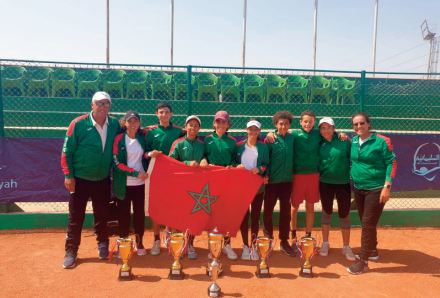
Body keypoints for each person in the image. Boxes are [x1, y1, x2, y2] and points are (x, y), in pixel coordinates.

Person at [61, 91, 120, 269]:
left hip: (102, 179)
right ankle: (71, 251)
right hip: (80, 179)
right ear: (92, 105)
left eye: (106, 104)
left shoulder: (115, 124)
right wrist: (68, 175)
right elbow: (66, 151)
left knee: (102, 215)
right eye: (99, 103)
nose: (103, 107)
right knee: (75, 217)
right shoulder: (78, 124)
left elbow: (133, 128)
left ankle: (103, 244)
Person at [347, 112, 397, 275]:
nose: (359, 126)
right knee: (366, 221)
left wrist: (386, 186)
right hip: (359, 188)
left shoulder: (382, 141)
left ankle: (363, 261)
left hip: (376, 188)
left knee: (367, 223)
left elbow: (391, 162)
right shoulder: (353, 141)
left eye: (362, 123)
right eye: (355, 124)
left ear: (369, 124)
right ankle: (373, 251)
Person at [145, 102, 185, 256]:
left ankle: (172, 238)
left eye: (166, 112)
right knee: (156, 208)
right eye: (161, 112)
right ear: (157, 114)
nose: (164, 115)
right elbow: (145, 151)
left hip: (174, 176)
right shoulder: (150, 132)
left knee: (174, 207)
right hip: (155, 175)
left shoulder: (178, 132)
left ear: (171, 114)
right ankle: (156, 240)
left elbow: (190, 134)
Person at [200, 110, 239, 260]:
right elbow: (202, 154)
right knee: (212, 214)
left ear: (228, 124)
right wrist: (203, 159)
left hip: (227, 180)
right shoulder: (207, 140)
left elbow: (236, 159)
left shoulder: (232, 141)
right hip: (211, 181)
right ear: (214, 123)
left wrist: (232, 166)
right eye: (218, 121)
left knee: (227, 214)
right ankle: (213, 247)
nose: (221, 124)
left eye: (224, 122)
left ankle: (227, 245)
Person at [317, 117, 355, 261]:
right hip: (325, 183)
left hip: (343, 183)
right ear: (319, 130)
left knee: (344, 214)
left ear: (334, 128)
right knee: (326, 212)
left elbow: (356, 154)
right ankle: (325, 243)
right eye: (323, 128)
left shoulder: (344, 141)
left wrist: (346, 136)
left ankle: (346, 246)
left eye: (329, 127)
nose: (326, 130)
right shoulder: (318, 142)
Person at [112, 111, 149, 256]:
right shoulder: (119, 139)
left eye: (135, 121)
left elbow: (144, 154)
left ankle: (139, 243)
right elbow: (117, 163)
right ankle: (124, 245)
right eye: (130, 121)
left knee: (139, 215)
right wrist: (135, 173)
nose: (133, 124)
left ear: (139, 123)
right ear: (125, 123)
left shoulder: (142, 137)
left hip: (140, 184)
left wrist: (149, 154)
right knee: (123, 215)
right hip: (123, 184)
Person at [169, 115, 205, 259]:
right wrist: (188, 163)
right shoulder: (178, 143)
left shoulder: (202, 144)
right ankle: (178, 243)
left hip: (196, 186)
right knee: (179, 215)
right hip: (180, 185)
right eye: (190, 125)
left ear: (199, 129)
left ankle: (190, 244)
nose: (193, 128)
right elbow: (170, 161)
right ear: (185, 127)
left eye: (196, 126)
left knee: (193, 216)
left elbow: (206, 157)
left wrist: (203, 160)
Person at [263, 111, 297, 256]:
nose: (283, 126)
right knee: (268, 212)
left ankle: (284, 241)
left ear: (289, 125)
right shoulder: (269, 139)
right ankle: (268, 239)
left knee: (285, 213)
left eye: (286, 124)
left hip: (287, 182)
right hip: (271, 182)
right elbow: (264, 158)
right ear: (276, 124)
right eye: (280, 124)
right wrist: (266, 175)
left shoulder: (293, 139)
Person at [236, 119, 269, 260]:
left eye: (256, 129)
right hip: (242, 187)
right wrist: (237, 166)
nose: (253, 132)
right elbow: (232, 163)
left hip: (258, 187)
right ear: (247, 130)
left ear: (259, 131)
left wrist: (260, 169)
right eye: (251, 129)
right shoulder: (238, 146)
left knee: (255, 217)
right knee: (244, 217)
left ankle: (253, 245)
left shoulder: (263, 147)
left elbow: (267, 164)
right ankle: (245, 246)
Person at [290, 110, 321, 243]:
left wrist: (342, 134)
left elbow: (334, 135)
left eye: (311, 121)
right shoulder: (294, 134)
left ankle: (308, 235)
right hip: (297, 176)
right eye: (305, 121)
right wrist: (271, 133)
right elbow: (280, 133)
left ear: (314, 122)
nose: (308, 124)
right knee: (294, 207)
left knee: (310, 206)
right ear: (300, 122)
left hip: (313, 175)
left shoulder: (318, 134)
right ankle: (293, 234)